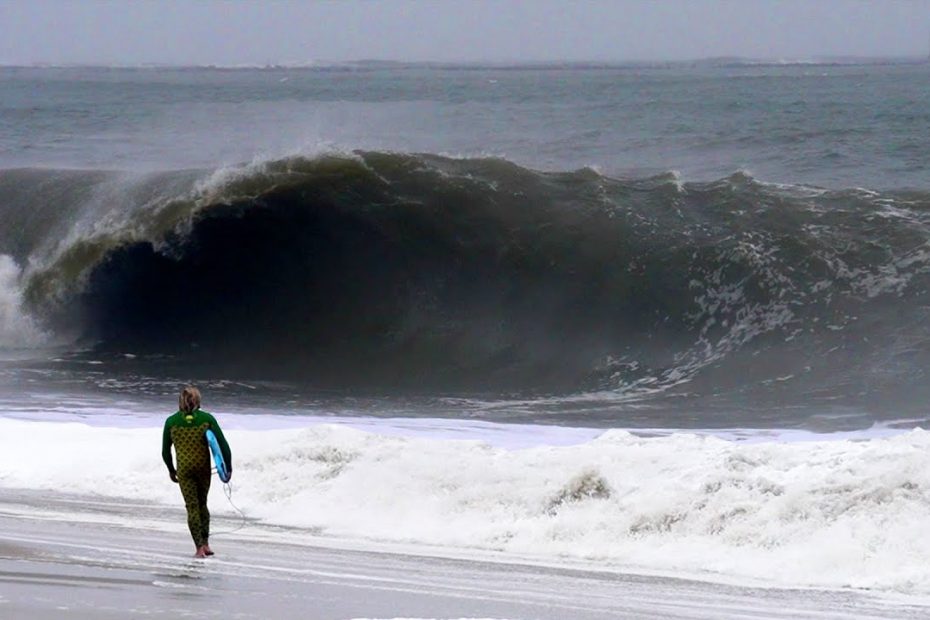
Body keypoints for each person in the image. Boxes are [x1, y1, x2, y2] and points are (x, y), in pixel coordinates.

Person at [161, 386, 232, 558]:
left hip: (184, 470)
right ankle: (206, 544)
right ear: (198, 400)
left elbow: (165, 451)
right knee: (202, 504)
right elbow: (222, 445)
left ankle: (199, 548)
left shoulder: (171, 422)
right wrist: (227, 467)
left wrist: (172, 470)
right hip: (203, 468)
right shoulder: (207, 419)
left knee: (192, 507)